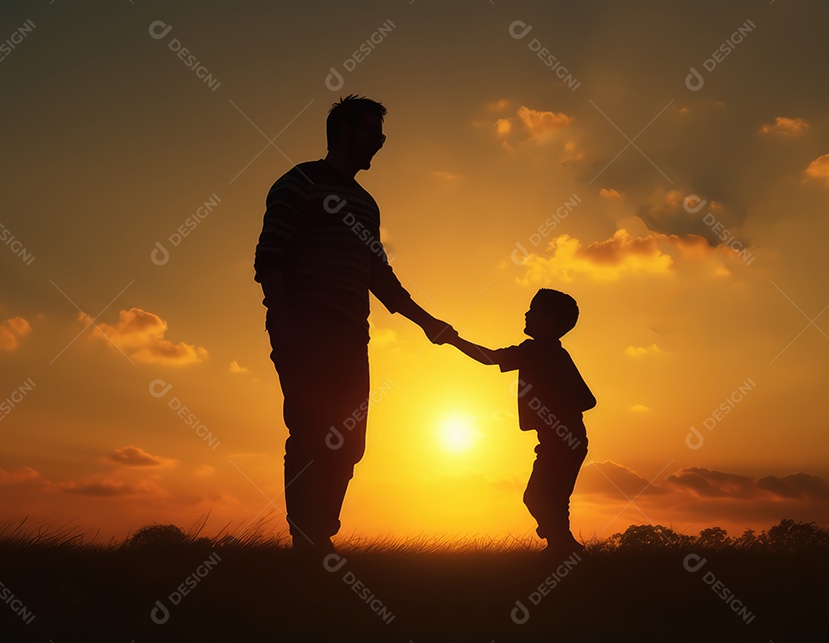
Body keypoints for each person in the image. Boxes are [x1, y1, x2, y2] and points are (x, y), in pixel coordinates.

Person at [254, 95, 453, 554]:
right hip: (305, 328)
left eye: (381, 136)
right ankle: (309, 541)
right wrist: (283, 324)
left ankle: (319, 531)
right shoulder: (298, 183)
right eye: (372, 134)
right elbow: (270, 257)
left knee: (348, 443)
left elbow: (378, 274)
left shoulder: (366, 204)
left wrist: (427, 323)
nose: (379, 144)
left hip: (350, 338)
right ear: (344, 132)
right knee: (309, 432)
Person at [447, 288, 595, 554]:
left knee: (540, 497)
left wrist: (453, 340)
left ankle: (562, 546)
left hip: (561, 440)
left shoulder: (535, 351)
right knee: (551, 498)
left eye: (533, 311)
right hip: (568, 438)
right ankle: (561, 546)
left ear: (549, 321)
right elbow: (588, 400)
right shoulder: (558, 354)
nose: (526, 314)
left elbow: (490, 358)